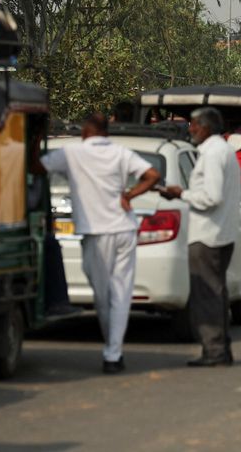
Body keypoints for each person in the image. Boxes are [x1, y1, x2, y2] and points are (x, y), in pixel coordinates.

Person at [39, 112, 161, 374]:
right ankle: (113, 351)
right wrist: (129, 195)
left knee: (103, 296)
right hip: (124, 228)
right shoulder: (120, 152)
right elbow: (152, 175)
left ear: (85, 132)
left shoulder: (72, 153)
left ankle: (113, 352)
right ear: (106, 131)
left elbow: (38, 167)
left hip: (96, 232)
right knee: (120, 294)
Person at [159, 107, 241, 367]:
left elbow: (212, 197)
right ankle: (219, 349)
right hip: (217, 233)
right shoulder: (220, 150)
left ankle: (214, 351)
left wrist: (180, 194)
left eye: (194, 125)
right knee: (215, 293)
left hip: (208, 235)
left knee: (207, 294)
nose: (190, 129)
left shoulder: (214, 152)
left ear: (206, 127)